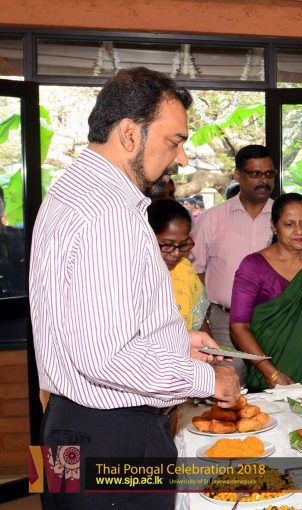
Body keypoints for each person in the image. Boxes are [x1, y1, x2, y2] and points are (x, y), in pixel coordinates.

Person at [29, 67, 239, 510]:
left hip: (66, 423)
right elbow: (108, 357)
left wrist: (175, 340)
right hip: (114, 434)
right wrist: (209, 378)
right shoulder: (110, 214)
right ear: (129, 134)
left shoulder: (67, 190)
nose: (182, 158)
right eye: (174, 141)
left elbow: (86, 323)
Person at [229, 193, 302, 391]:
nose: (299, 231)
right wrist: (271, 373)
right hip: (266, 372)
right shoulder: (253, 266)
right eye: (289, 224)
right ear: (274, 226)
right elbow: (239, 328)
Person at [190, 144, 275, 382]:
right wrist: (203, 319)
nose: (264, 181)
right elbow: (193, 272)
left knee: (276, 387)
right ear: (238, 175)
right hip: (224, 324)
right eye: (255, 174)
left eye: (269, 174)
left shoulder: (284, 218)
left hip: (273, 321)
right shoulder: (212, 219)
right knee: (229, 387)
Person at [148, 199, 210, 333]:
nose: (176, 253)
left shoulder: (184, 268)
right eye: (168, 244)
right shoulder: (134, 273)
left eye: (183, 244)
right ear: (147, 237)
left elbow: (199, 322)